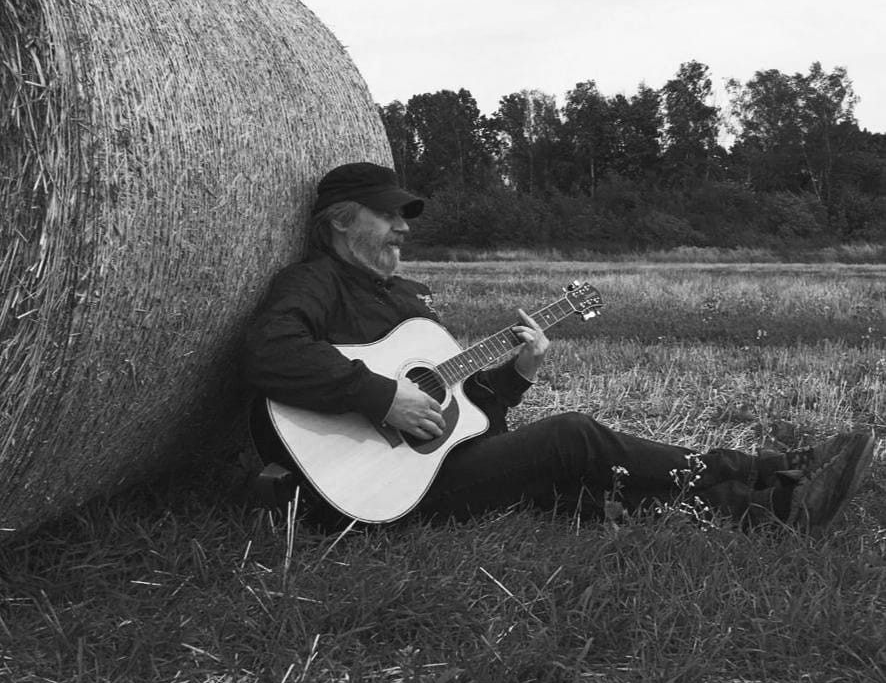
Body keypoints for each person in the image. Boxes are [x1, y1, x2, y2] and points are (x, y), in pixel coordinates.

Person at [242, 161, 874, 533]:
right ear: (341, 220)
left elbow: (464, 415)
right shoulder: (314, 282)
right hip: (370, 487)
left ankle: (766, 507)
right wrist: (384, 398)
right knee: (573, 436)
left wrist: (517, 374)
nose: (404, 227)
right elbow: (271, 353)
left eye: (404, 216)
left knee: (578, 486)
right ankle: (762, 469)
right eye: (388, 215)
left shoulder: (407, 299)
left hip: (427, 469)